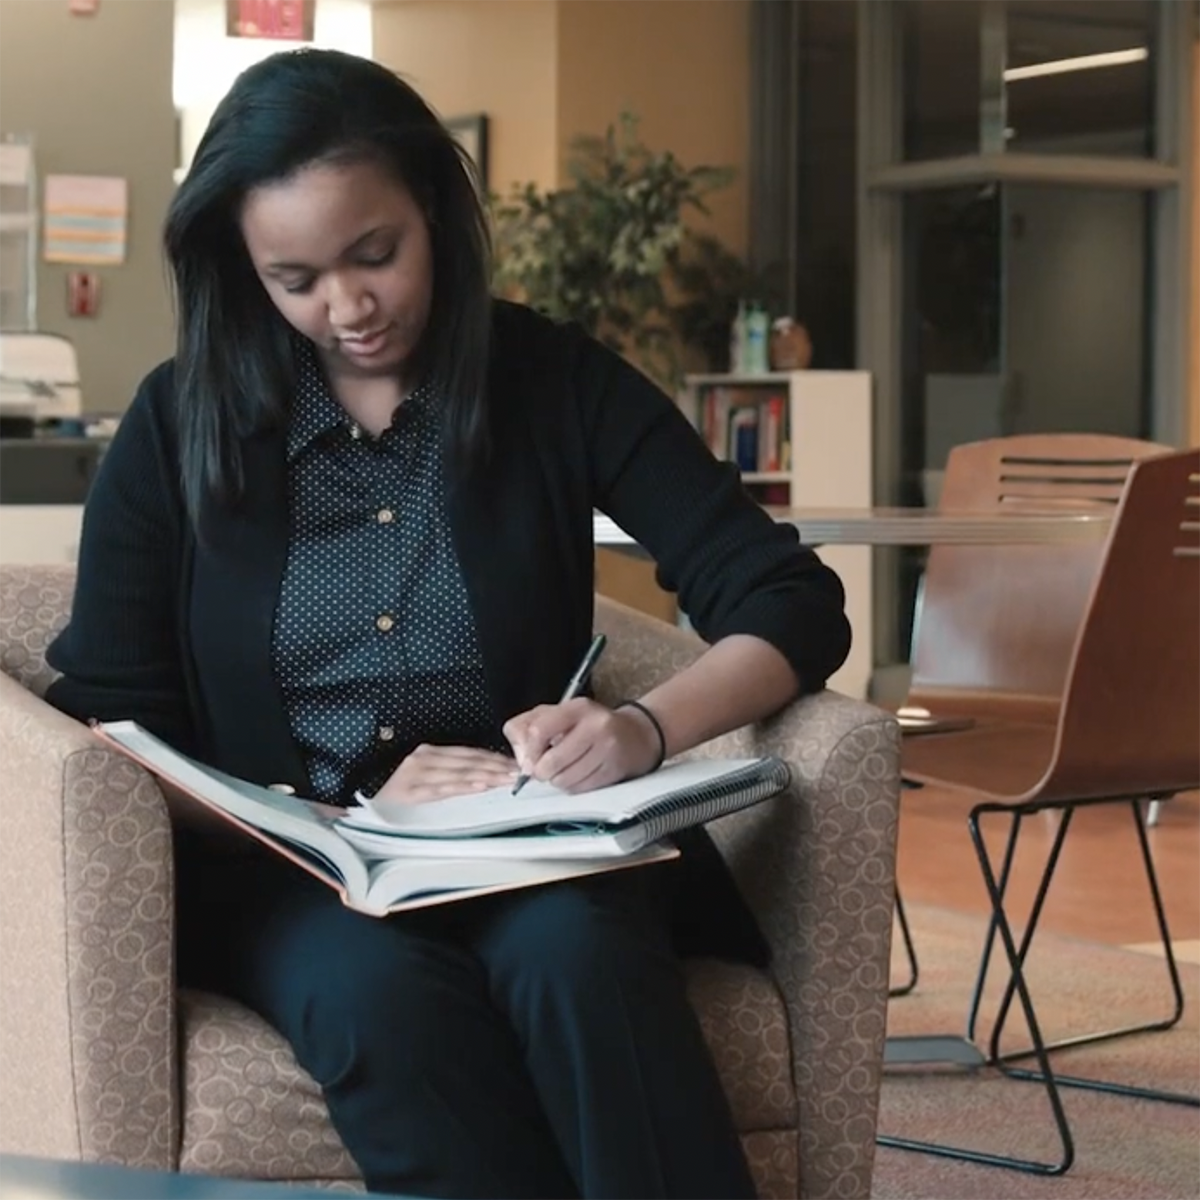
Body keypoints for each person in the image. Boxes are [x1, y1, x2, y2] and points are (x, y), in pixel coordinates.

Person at [44, 48, 852, 1200]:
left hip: (527, 848)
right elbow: (112, 721)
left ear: (434, 206)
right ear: (244, 268)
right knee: (381, 1002)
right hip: (287, 872)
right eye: (296, 278)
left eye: (376, 254)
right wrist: (335, 815)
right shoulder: (180, 425)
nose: (349, 306)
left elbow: (787, 596)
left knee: (582, 962)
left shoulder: (552, 381)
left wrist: (639, 731)